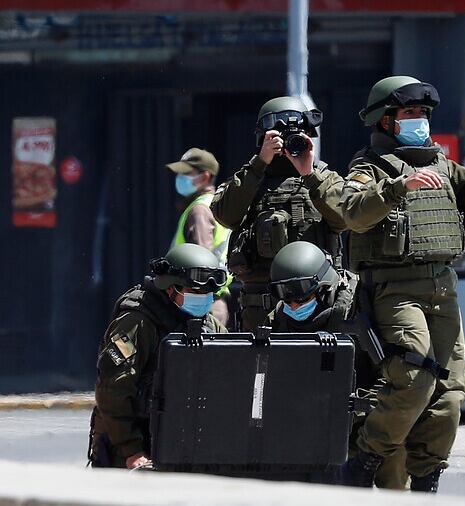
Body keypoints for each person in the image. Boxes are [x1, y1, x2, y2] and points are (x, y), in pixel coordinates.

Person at [339, 75, 465, 492]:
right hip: (394, 288)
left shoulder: (443, 166)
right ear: (385, 121)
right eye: (409, 114)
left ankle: (428, 477)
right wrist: (399, 187)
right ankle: (364, 461)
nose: (420, 121)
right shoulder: (367, 169)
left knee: (450, 393)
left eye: (423, 114)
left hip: (443, 287)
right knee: (414, 378)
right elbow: (353, 212)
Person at [265, 241, 407, 489]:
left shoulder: (358, 309)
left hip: (364, 421)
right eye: (286, 298)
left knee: (393, 459)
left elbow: (392, 377)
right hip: (307, 422)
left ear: (324, 287)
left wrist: (358, 407)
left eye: (303, 297)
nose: (294, 306)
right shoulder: (280, 317)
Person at [210, 97, 346, 332]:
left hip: (317, 303)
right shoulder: (249, 178)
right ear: (262, 138)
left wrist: (310, 175)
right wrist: (260, 163)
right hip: (260, 305)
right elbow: (224, 215)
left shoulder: (323, 177)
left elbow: (346, 218)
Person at [89, 244, 228, 469]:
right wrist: (131, 450)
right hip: (128, 448)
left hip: (182, 444)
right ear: (170, 288)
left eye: (208, 294)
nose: (203, 299)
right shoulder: (137, 322)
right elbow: (113, 391)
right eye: (195, 292)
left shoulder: (209, 326)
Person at [166, 147, 231, 326]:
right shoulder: (217, 205)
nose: (180, 179)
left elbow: (201, 265)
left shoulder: (199, 210)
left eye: (187, 173)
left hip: (197, 304)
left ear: (205, 177)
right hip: (208, 301)